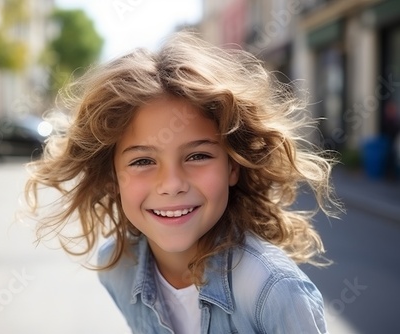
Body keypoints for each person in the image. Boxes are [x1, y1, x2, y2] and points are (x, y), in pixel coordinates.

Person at [25, 32, 340, 333]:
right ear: (112, 178)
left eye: (198, 156)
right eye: (143, 161)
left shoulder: (273, 291)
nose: (172, 184)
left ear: (233, 166)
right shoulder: (117, 268)